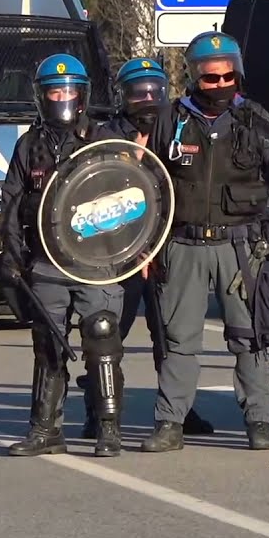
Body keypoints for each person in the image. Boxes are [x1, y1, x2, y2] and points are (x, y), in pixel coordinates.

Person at [140, 33, 269, 452]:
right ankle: (169, 424)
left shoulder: (254, 121)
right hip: (183, 244)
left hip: (241, 247)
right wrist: (144, 247)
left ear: (238, 73)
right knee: (179, 339)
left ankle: (259, 421)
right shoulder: (170, 119)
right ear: (194, 76)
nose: (219, 85)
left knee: (249, 336)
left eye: (227, 76)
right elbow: (146, 187)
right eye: (209, 78)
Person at [0, 53, 127, 458]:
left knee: (101, 333)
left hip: (95, 260)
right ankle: (45, 429)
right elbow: (13, 204)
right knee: (48, 343)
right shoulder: (29, 145)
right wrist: (14, 257)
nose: (62, 97)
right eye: (55, 90)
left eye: (69, 90)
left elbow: (128, 197)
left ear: (83, 95)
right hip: (46, 261)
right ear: (42, 96)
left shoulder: (103, 140)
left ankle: (107, 427)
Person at [83, 57, 214, 439]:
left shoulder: (179, 129)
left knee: (169, 332)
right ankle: (99, 411)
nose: (146, 99)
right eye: (137, 92)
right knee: (106, 333)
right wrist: (135, 155)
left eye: (153, 91)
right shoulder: (105, 135)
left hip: (165, 247)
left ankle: (179, 410)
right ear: (123, 96)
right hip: (118, 250)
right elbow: (96, 191)